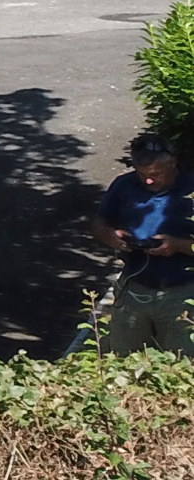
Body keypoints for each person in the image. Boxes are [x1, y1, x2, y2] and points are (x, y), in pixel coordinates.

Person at [82, 133, 194, 357]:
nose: (148, 181)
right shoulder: (124, 185)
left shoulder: (191, 190)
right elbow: (98, 224)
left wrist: (178, 245)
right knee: (123, 356)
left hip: (182, 292)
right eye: (142, 175)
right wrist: (111, 236)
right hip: (134, 287)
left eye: (156, 174)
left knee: (181, 360)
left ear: (173, 162)